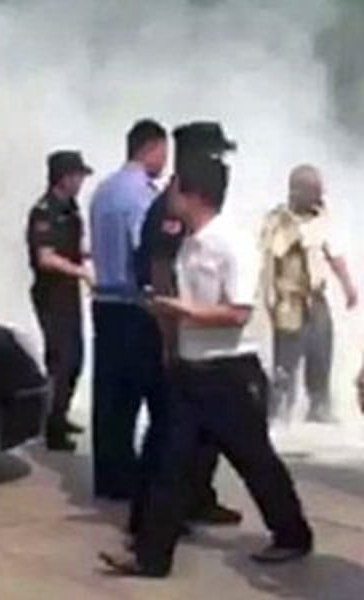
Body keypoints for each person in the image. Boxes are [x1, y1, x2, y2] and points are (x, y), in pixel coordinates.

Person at [100, 154, 314, 578]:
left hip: (229, 374)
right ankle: (151, 555)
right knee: (168, 460)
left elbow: (237, 313)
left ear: (194, 195)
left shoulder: (229, 243)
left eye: (176, 187)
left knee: (256, 462)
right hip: (189, 370)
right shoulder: (190, 241)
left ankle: (293, 535)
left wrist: (182, 309)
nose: (169, 195)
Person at [129, 123, 242, 537]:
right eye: (216, 154)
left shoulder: (195, 207)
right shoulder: (171, 209)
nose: (223, 162)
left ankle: (193, 501)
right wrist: (170, 341)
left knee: (194, 435)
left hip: (190, 336)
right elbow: (161, 273)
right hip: (170, 333)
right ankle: (152, 518)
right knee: (168, 435)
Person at [90, 119, 168, 499]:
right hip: (132, 305)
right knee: (148, 393)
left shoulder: (102, 191)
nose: (165, 160)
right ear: (151, 148)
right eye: (164, 152)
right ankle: (139, 477)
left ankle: (108, 476)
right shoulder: (141, 195)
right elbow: (146, 250)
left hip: (102, 302)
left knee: (109, 396)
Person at [261, 165, 358, 422]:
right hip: (288, 303)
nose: (320, 195)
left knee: (321, 356)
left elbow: (333, 255)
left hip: (316, 300)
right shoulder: (277, 222)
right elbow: (269, 260)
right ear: (297, 191)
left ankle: (319, 409)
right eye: (314, 190)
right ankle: (278, 415)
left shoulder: (322, 221)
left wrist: (348, 287)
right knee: (286, 364)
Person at [26, 151, 95, 451]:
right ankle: (52, 428)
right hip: (51, 295)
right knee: (61, 360)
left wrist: (92, 255)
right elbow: (45, 258)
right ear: (64, 177)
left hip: (68, 294)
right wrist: (81, 271)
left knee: (76, 358)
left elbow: (73, 247)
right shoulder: (44, 212)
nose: (81, 181)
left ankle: (60, 415)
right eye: (77, 175)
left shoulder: (70, 210)